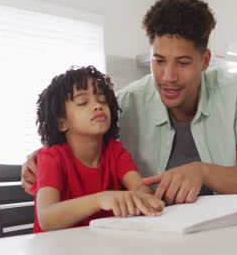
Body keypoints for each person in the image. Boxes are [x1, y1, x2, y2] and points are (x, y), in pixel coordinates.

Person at [22, 0, 237, 206]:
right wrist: (40, 157)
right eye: (159, 61)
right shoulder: (126, 102)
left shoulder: (234, 91)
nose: (168, 77)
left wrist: (203, 171)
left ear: (205, 61)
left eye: (183, 63)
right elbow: (80, 140)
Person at [30, 66, 164, 233]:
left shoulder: (115, 151)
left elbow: (138, 187)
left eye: (102, 100)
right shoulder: (51, 158)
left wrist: (143, 196)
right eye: (82, 102)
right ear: (61, 122)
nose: (97, 106)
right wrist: (101, 199)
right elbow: (47, 218)